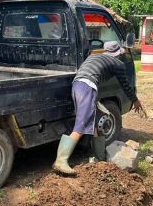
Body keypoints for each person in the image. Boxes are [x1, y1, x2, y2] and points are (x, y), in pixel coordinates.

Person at [53, 41, 144, 175]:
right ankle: (61, 161)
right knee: (82, 125)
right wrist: (135, 101)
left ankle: (99, 157)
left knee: (94, 119)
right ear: (118, 54)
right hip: (88, 86)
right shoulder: (118, 64)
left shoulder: (94, 57)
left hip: (77, 85)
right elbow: (125, 85)